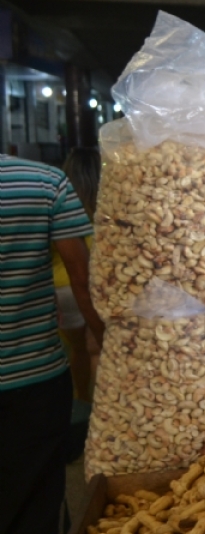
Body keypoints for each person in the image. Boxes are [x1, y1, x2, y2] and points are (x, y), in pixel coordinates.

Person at [0, 154, 105, 534]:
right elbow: (84, 285)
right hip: (32, 383)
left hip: (36, 383)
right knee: (33, 513)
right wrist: (109, 343)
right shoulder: (42, 183)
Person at [53, 146, 102, 401]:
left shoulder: (61, 201)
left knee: (77, 349)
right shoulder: (109, 207)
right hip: (96, 287)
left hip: (62, 289)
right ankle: (98, 411)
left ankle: (80, 397)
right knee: (96, 349)